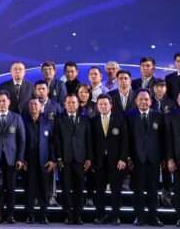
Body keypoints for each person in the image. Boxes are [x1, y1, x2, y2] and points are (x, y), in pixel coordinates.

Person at [0, 90, 25, 223]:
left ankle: (10, 215)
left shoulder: (16, 118)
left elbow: (21, 140)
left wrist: (20, 158)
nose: (2, 103)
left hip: (11, 159)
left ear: (9, 102)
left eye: (4, 101)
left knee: (11, 188)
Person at [128, 89, 164, 226]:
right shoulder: (129, 116)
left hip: (154, 159)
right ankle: (140, 217)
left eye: (146, 99)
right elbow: (127, 139)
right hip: (137, 160)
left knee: (153, 190)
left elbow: (163, 138)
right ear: (136, 101)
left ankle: (154, 217)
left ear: (151, 101)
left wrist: (163, 158)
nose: (144, 101)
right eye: (141, 99)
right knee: (138, 190)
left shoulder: (158, 115)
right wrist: (128, 157)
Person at [54, 94, 92, 225]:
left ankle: (78, 215)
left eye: (74, 102)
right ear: (65, 104)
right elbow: (57, 140)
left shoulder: (85, 119)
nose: (71, 105)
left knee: (79, 189)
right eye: (69, 102)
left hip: (80, 159)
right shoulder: (59, 119)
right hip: (65, 159)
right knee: (66, 189)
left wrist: (89, 158)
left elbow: (88, 140)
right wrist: (58, 157)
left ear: (78, 104)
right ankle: (68, 215)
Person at [91, 93, 128, 225]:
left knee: (115, 190)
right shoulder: (93, 121)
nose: (103, 106)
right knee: (99, 191)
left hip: (116, 161)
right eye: (100, 104)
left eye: (105, 104)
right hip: (99, 162)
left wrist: (123, 158)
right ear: (97, 106)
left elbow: (125, 141)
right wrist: (92, 160)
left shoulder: (120, 119)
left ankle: (115, 216)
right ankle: (100, 215)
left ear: (111, 105)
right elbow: (91, 143)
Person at [23, 98, 56, 224]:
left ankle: (44, 215)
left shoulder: (48, 122)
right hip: (29, 161)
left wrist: (53, 160)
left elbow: (52, 142)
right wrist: (22, 159)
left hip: (45, 160)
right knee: (29, 189)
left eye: (36, 104)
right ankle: (30, 215)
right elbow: (21, 141)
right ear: (28, 107)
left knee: (44, 189)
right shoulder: (23, 121)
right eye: (31, 104)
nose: (34, 106)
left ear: (41, 107)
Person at [165, 92, 180, 228]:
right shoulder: (171, 116)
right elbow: (168, 140)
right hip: (177, 159)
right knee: (178, 190)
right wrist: (170, 159)